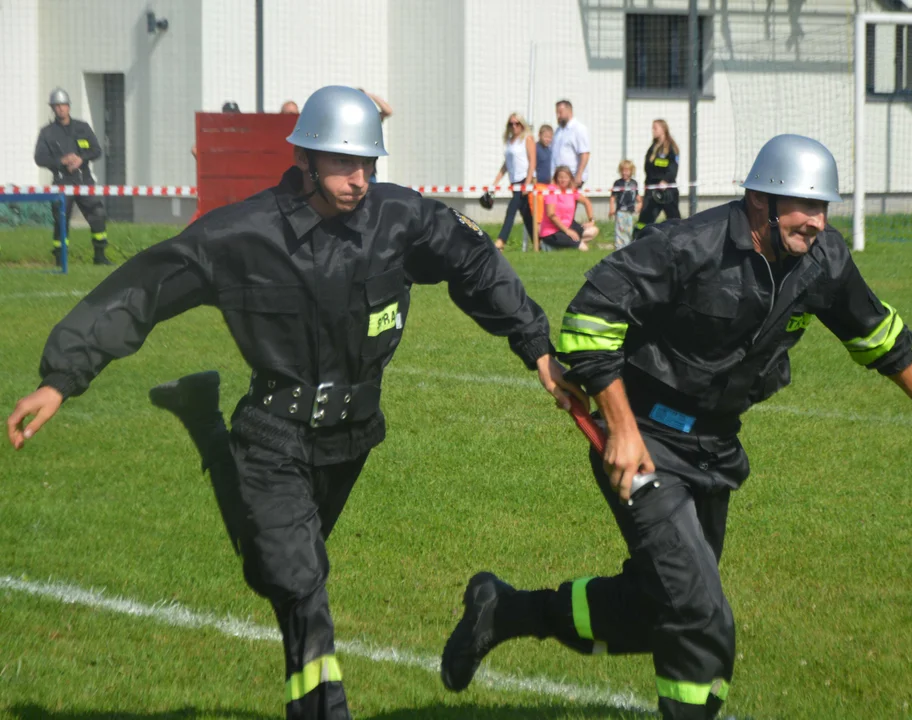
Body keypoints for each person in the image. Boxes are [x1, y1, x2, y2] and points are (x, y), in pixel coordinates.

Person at [7, 86, 583, 720]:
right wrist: (61, 377)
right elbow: (145, 286)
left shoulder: (400, 220)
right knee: (302, 586)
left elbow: (474, 262)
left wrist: (536, 346)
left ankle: (202, 419)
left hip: (353, 440)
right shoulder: (243, 234)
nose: (359, 179)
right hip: (273, 436)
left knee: (273, 575)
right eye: (343, 163)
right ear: (305, 158)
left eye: (368, 164)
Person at [439, 134, 912, 720]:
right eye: (804, 206)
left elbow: (875, 333)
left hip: (715, 448)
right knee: (700, 613)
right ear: (759, 202)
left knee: (658, 608)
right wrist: (621, 429)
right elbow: (591, 315)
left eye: (824, 207)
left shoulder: (822, 260)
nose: (817, 222)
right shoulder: (686, 245)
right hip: (644, 440)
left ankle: (506, 611)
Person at [33, 87, 112, 266]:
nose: (60, 108)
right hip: (62, 183)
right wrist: (62, 161)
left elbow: (96, 150)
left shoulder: (82, 127)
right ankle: (61, 259)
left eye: (63, 105)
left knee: (98, 214)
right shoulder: (47, 132)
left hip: (84, 180)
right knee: (61, 219)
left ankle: (100, 255)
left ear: (69, 106)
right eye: (56, 105)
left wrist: (80, 159)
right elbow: (39, 158)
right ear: (52, 108)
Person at [490, 112, 536, 253]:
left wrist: (528, 183)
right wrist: (495, 182)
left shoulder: (527, 139)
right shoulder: (510, 142)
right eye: (511, 124)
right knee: (526, 214)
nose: (514, 126)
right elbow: (506, 164)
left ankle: (501, 241)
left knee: (511, 210)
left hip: (524, 180)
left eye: (517, 123)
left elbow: (532, 161)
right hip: (514, 181)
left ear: (522, 125)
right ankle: (538, 243)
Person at [635, 119, 681, 238]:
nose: (653, 131)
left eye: (655, 128)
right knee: (645, 218)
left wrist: (665, 181)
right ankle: (638, 240)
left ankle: (680, 240)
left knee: (674, 218)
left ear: (663, 129)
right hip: (652, 189)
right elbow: (648, 168)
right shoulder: (653, 148)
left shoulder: (671, 148)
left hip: (667, 190)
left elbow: (673, 168)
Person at [538, 165, 598, 251]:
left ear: (570, 178)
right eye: (560, 177)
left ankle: (572, 243)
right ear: (556, 178)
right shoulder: (551, 191)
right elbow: (551, 215)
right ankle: (553, 245)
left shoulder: (570, 191)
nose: (563, 180)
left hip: (569, 226)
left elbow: (586, 202)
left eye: (566, 177)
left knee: (593, 230)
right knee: (583, 248)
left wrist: (591, 220)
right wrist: (567, 231)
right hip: (552, 231)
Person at [551, 100, 590, 188]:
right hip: (559, 178)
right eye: (557, 113)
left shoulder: (579, 129)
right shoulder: (559, 131)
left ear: (569, 111)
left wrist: (579, 175)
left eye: (560, 112)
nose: (558, 116)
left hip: (571, 178)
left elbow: (584, 153)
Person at [609, 160, 641, 250]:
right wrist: (611, 208)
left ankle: (627, 246)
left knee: (628, 229)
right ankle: (619, 247)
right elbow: (613, 197)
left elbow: (637, 196)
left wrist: (640, 204)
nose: (624, 172)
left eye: (627, 170)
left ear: (631, 171)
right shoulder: (618, 183)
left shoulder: (634, 183)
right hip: (620, 211)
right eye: (622, 170)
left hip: (630, 211)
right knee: (620, 229)